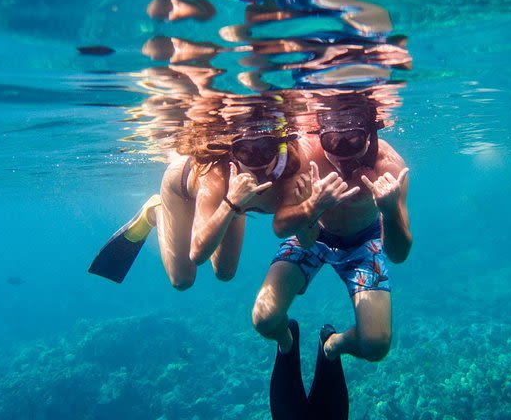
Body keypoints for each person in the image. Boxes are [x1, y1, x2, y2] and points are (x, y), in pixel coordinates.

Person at [252, 103, 413, 418]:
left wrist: (391, 209)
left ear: (371, 134)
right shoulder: (306, 155)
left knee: (376, 345)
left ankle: (332, 346)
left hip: (364, 242)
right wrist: (312, 207)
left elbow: (398, 253)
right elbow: (286, 228)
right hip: (315, 235)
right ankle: (287, 340)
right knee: (264, 320)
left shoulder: (390, 169)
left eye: (353, 140)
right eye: (331, 141)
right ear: (319, 133)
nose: (341, 154)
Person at [89, 112, 304, 288]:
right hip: (180, 188)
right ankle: (156, 211)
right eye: (244, 151)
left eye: (266, 149)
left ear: (281, 147)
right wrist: (230, 202)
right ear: (233, 153)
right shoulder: (217, 177)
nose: (256, 160)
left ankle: (228, 207)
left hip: (234, 201)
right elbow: (197, 254)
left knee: (225, 273)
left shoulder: (293, 170)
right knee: (182, 279)